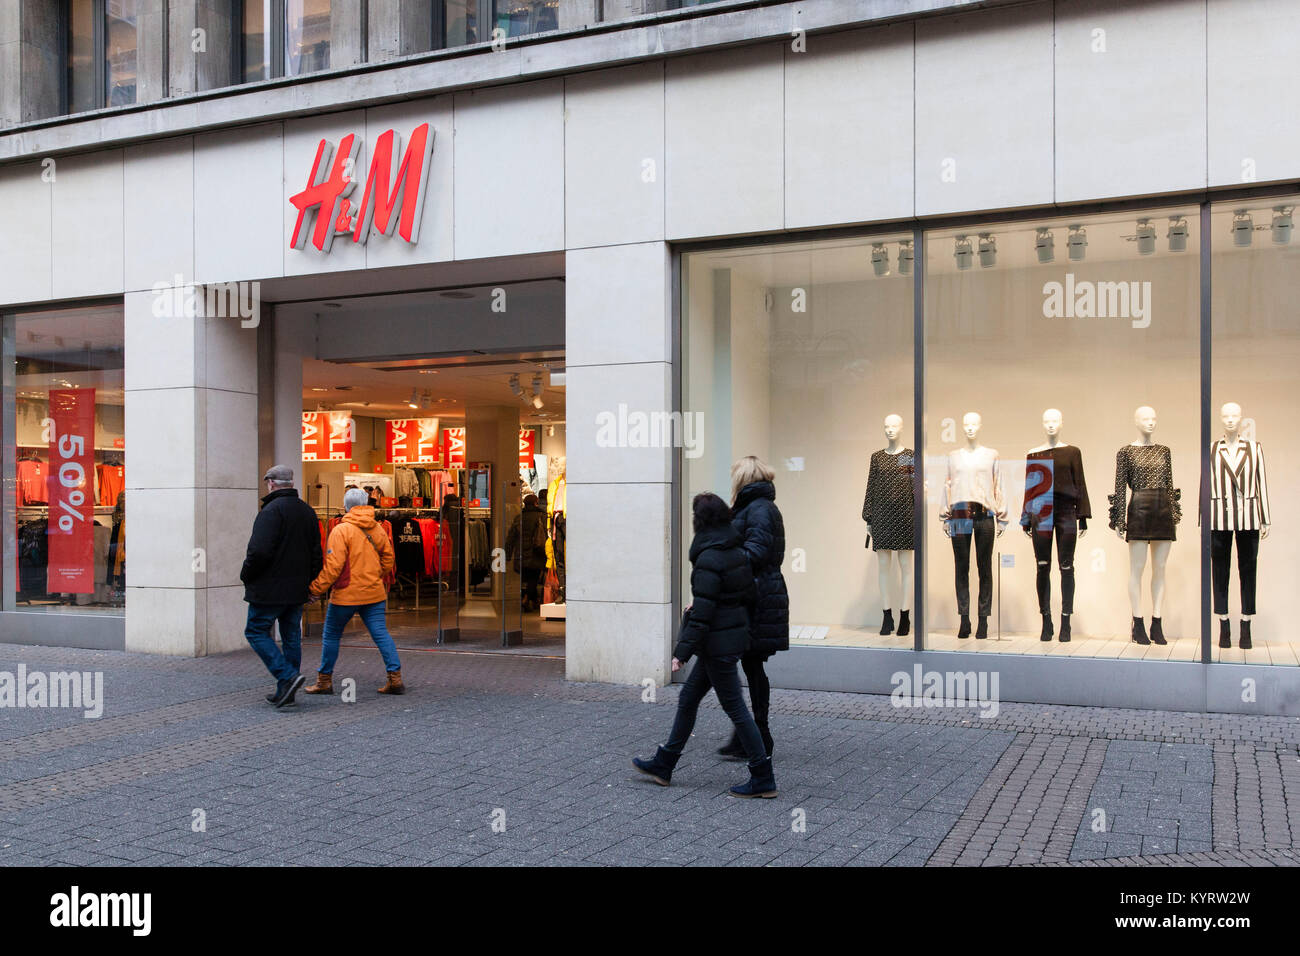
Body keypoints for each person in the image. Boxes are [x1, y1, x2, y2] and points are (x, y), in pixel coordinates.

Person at [632, 493, 777, 798]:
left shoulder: (710, 557)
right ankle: (665, 763)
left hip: (717, 646)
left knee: (736, 709)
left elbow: (705, 613)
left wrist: (681, 652)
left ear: (700, 521)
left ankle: (763, 776)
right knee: (688, 698)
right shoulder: (734, 550)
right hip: (727, 641)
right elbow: (746, 595)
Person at [718, 456, 789, 760]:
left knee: (747, 663)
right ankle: (749, 734)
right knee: (748, 663)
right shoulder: (757, 507)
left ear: (743, 478)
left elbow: (756, 552)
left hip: (757, 598)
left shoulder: (759, 509)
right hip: (759, 595)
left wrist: (725, 564)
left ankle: (757, 735)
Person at [303, 488, 405, 696]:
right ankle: (395, 678)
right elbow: (388, 559)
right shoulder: (377, 528)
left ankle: (324, 681)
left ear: (345, 506)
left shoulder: (341, 530)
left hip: (345, 595)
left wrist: (315, 589)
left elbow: (333, 567)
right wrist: (375, 575)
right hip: (374, 592)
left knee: (331, 635)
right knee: (381, 634)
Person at [240, 465, 323, 708]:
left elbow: (258, 551)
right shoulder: (307, 512)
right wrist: (310, 584)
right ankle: (287, 690)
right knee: (291, 637)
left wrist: (246, 575)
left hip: (269, 588)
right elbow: (316, 553)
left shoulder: (270, 511)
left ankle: (287, 676)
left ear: (271, 483)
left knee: (255, 631)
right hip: (297, 589)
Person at [505, 494, 548, 611]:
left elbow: (511, 538)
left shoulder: (519, 517)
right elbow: (546, 534)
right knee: (533, 578)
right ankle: (527, 598)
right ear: (536, 503)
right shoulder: (541, 516)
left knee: (525, 579)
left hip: (521, 553)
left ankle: (533, 600)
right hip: (536, 553)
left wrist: (508, 554)